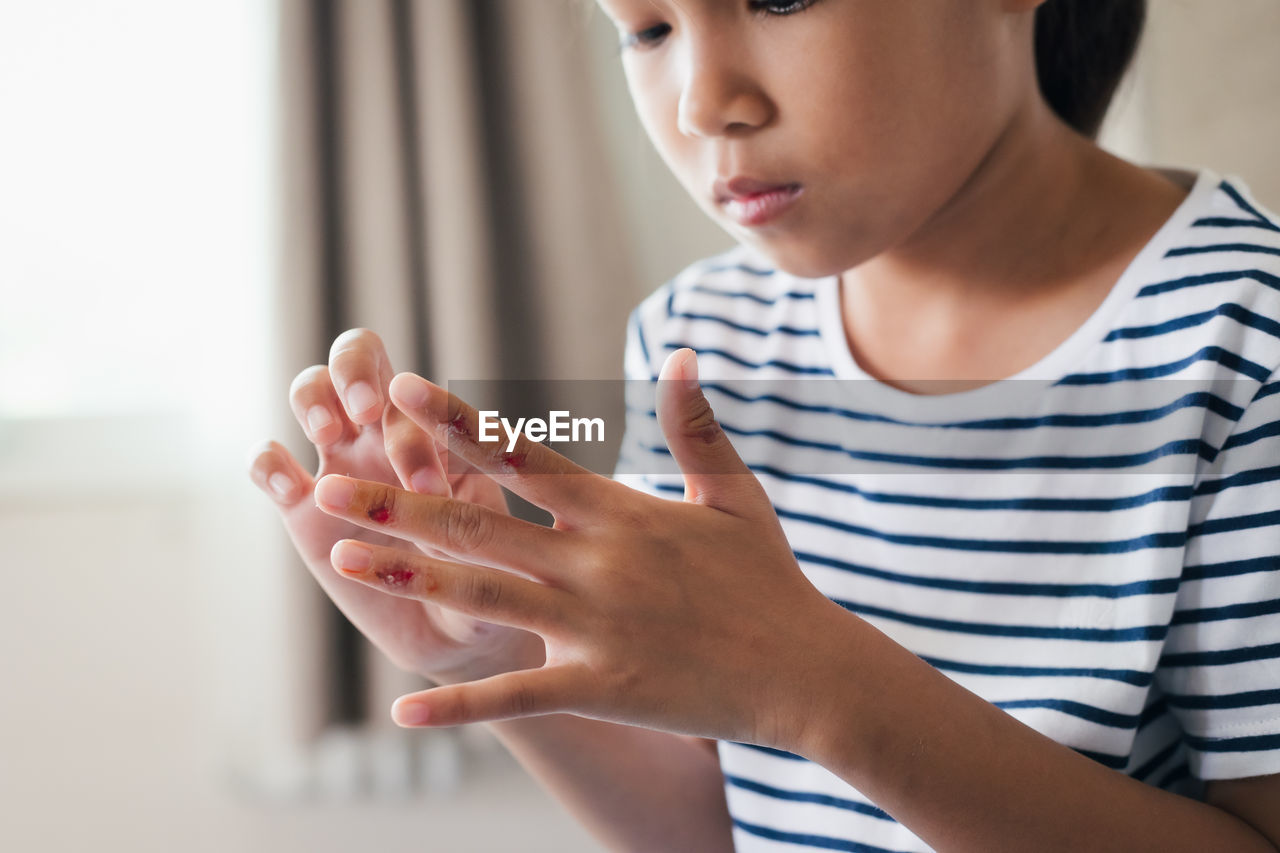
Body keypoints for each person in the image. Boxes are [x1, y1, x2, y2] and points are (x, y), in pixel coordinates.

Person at [248, 0, 1280, 849]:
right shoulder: (697, 339)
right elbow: (727, 823)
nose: (703, 104)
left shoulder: (1245, 346)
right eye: (647, 30)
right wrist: (498, 647)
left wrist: (815, 680)